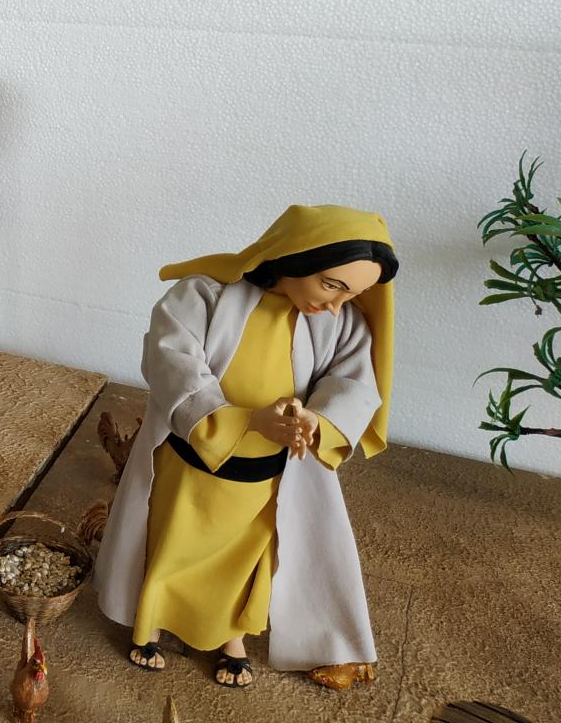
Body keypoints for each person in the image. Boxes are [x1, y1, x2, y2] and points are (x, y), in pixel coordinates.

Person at [94, 205, 397, 690]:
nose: (336, 304)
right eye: (331, 285)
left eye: (352, 294)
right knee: (171, 544)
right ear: (297, 256)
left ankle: (231, 639)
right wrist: (246, 419)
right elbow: (172, 362)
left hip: (264, 475)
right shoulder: (204, 296)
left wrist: (316, 420)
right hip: (193, 462)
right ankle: (149, 625)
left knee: (245, 559)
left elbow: (354, 382)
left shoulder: (337, 324)